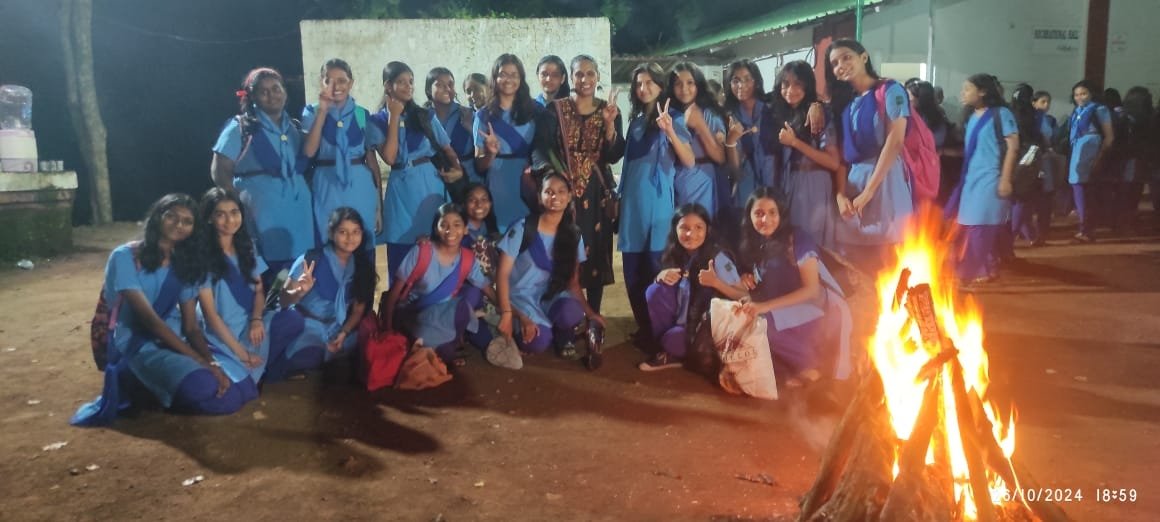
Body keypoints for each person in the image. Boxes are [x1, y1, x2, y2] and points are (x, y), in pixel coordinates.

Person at [72, 194, 241, 426]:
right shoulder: (125, 257)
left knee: (241, 390)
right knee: (207, 388)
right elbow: (150, 322)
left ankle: (162, 385)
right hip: (135, 343)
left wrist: (211, 362)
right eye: (172, 216)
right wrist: (201, 363)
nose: (179, 224)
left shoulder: (184, 261)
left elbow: (191, 327)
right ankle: (143, 384)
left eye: (187, 221)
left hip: (174, 338)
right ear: (157, 217)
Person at [532, 54, 625, 315]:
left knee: (596, 255)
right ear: (570, 78)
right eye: (579, 74)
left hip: (596, 194)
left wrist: (609, 125)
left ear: (597, 77)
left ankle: (593, 317)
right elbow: (540, 148)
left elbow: (613, 155)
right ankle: (567, 316)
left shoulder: (609, 110)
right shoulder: (555, 110)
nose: (584, 79)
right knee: (565, 252)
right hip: (564, 194)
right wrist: (553, 178)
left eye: (590, 73)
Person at [737, 188, 852, 386]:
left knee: (760, 323)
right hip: (786, 311)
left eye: (772, 213)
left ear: (781, 213)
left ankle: (811, 364)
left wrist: (763, 307)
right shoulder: (758, 243)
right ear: (750, 216)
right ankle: (795, 366)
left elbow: (811, 290)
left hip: (821, 311)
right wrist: (747, 278)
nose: (765, 220)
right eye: (759, 213)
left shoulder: (797, 238)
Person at [210, 67, 314, 286]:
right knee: (271, 283)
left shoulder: (293, 127)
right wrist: (238, 209)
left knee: (299, 280)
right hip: (263, 224)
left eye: (276, 88)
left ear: (284, 92)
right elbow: (219, 171)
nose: (271, 95)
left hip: (299, 222)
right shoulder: (241, 128)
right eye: (263, 91)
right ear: (252, 97)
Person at [195, 188, 304, 386]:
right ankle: (251, 365)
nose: (230, 220)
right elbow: (211, 317)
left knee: (293, 320)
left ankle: (264, 368)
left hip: (249, 322)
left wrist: (256, 320)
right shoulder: (202, 257)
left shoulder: (247, 247)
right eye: (221, 214)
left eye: (234, 212)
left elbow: (259, 290)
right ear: (209, 218)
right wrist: (242, 354)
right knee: (234, 385)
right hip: (220, 332)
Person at [620, 62, 695, 344]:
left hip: (658, 205)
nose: (643, 88)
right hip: (631, 206)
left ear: (661, 86)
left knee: (656, 268)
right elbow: (627, 166)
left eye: (650, 82)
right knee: (632, 271)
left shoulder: (674, 118)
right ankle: (644, 328)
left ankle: (660, 332)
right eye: (639, 84)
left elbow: (689, 160)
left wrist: (670, 131)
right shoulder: (636, 122)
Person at [825, 38, 914, 274]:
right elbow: (844, 156)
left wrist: (868, 192)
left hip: (886, 182)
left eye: (846, 57)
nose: (841, 66)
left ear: (863, 57)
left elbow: (895, 141)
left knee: (890, 261)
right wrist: (841, 195)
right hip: (855, 185)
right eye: (834, 63)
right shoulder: (847, 104)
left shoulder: (890, 90)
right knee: (857, 264)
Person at [495, 172, 605, 361]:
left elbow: (572, 283)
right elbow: (502, 274)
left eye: (561, 191)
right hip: (521, 297)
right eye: (549, 192)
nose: (555, 197)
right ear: (540, 197)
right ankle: (531, 328)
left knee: (571, 311)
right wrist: (506, 313)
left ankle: (560, 333)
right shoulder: (523, 228)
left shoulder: (573, 234)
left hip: (551, 294)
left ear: (569, 196)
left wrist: (591, 314)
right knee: (539, 342)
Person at [374, 61, 461, 277]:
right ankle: (401, 296)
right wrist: (394, 116)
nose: (408, 86)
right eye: (401, 82)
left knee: (436, 239)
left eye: (411, 81)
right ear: (388, 86)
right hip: (400, 188)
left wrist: (458, 170)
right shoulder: (377, 121)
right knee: (401, 243)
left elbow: (447, 148)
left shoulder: (424, 115)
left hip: (429, 183)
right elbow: (390, 157)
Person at [381, 203, 495, 366]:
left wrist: (507, 311)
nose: (450, 231)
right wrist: (388, 330)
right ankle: (437, 345)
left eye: (457, 225)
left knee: (468, 300)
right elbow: (394, 294)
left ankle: (452, 342)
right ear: (436, 229)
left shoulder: (467, 258)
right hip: (415, 315)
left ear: (465, 229)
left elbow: (486, 287)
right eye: (444, 225)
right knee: (443, 353)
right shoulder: (422, 252)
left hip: (442, 315)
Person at [269, 207, 376, 380]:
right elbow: (281, 300)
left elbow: (358, 310)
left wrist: (344, 333)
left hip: (337, 326)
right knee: (310, 358)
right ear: (332, 234)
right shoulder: (311, 260)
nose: (350, 238)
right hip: (308, 324)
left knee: (365, 348)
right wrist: (300, 291)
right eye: (343, 232)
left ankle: (330, 353)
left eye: (356, 232)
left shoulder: (362, 265)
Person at [640, 204, 745, 371]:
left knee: (670, 340)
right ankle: (670, 351)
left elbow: (745, 296)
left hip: (704, 329)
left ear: (707, 230)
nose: (691, 234)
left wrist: (716, 283)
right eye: (684, 228)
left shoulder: (718, 258)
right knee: (655, 290)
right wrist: (660, 276)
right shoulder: (676, 253)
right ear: (675, 229)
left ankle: (675, 351)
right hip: (683, 322)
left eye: (698, 227)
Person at [302, 58, 383, 248]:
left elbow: (371, 161)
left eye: (342, 80)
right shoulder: (311, 112)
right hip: (327, 185)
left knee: (361, 241)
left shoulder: (361, 114)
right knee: (329, 239)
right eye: (328, 80)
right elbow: (309, 151)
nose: (335, 86)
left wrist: (379, 206)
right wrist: (323, 112)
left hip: (360, 187)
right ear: (321, 82)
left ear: (351, 83)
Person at [945, 74, 1017, 285]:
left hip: (990, 179)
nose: (963, 93)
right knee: (969, 226)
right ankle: (985, 268)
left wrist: (1005, 179)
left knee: (980, 228)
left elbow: (1013, 147)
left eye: (968, 89)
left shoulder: (1001, 114)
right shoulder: (971, 116)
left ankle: (966, 274)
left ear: (983, 91)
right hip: (970, 180)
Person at [767, 60, 843, 251]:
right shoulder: (780, 112)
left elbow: (833, 162)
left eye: (797, 84)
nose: (790, 90)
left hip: (813, 183)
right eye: (785, 84)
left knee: (810, 243)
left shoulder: (820, 113)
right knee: (791, 244)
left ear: (807, 85)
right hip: (788, 183)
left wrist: (795, 143)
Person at [475, 54, 539, 231]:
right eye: (503, 74)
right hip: (498, 182)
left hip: (528, 180)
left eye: (514, 75)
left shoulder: (535, 110)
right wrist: (490, 154)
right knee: (502, 235)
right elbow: (479, 165)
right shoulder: (483, 115)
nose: (508, 79)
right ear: (494, 78)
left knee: (529, 234)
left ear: (521, 79)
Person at [667, 61, 726, 217]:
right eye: (678, 84)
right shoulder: (669, 114)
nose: (684, 88)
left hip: (702, 181)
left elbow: (720, 157)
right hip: (674, 181)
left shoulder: (709, 114)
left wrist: (700, 125)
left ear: (698, 84)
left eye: (690, 83)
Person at [1065, 80, 1115, 243]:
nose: (1079, 97)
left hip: (1091, 148)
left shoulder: (1099, 109)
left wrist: (1100, 157)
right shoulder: (1077, 110)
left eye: (1083, 93)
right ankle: (1084, 227)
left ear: (1091, 94)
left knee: (1085, 189)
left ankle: (1086, 228)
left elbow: (1109, 136)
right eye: (1076, 94)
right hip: (1078, 148)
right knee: (1078, 186)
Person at [723, 60, 772, 222]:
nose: (741, 85)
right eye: (735, 80)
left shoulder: (771, 109)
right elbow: (734, 169)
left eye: (747, 79)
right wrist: (731, 141)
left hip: (773, 178)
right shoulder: (727, 115)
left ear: (756, 82)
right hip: (745, 183)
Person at [1009, 84, 1051, 246]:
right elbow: (1041, 138)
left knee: (1017, 199)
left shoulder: (1008, 113)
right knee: (1023, 199)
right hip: (1029, 158)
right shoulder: (1034, 116)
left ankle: (1028, 234)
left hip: (1012, 158)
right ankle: (1012, 236)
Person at [427, 67, 481, 185]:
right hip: (433, 181)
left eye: (450, 85)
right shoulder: (423, 118)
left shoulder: (468, 114)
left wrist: (470, 128)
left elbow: (482, 147)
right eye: (440, 85)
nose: (447, 89)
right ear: (428, 90)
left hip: (469, 181)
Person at [459, 182, 501, 281]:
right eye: (472, 200)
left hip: (493, 281)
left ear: (490, 203)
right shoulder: (458, 230)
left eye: (484, 199)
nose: (479, 204)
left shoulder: (491, 227)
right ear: (464, 204)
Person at [907, 80, 950, 149]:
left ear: (921, 99)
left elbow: (937, 141)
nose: (907, 102)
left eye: (910, 99)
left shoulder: (936, 119)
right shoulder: (908, 115)